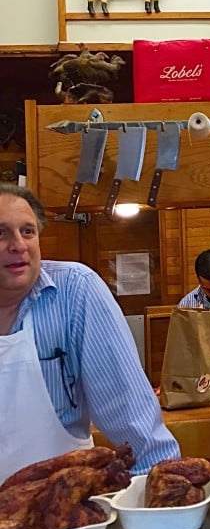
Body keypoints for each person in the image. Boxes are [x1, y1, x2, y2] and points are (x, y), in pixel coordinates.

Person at [0, 184, 179, 481]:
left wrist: (166, 493)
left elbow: (132, 418)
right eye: (1, 233)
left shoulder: (76, 292)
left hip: (64, 513)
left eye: (28, 231)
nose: (18, 244)